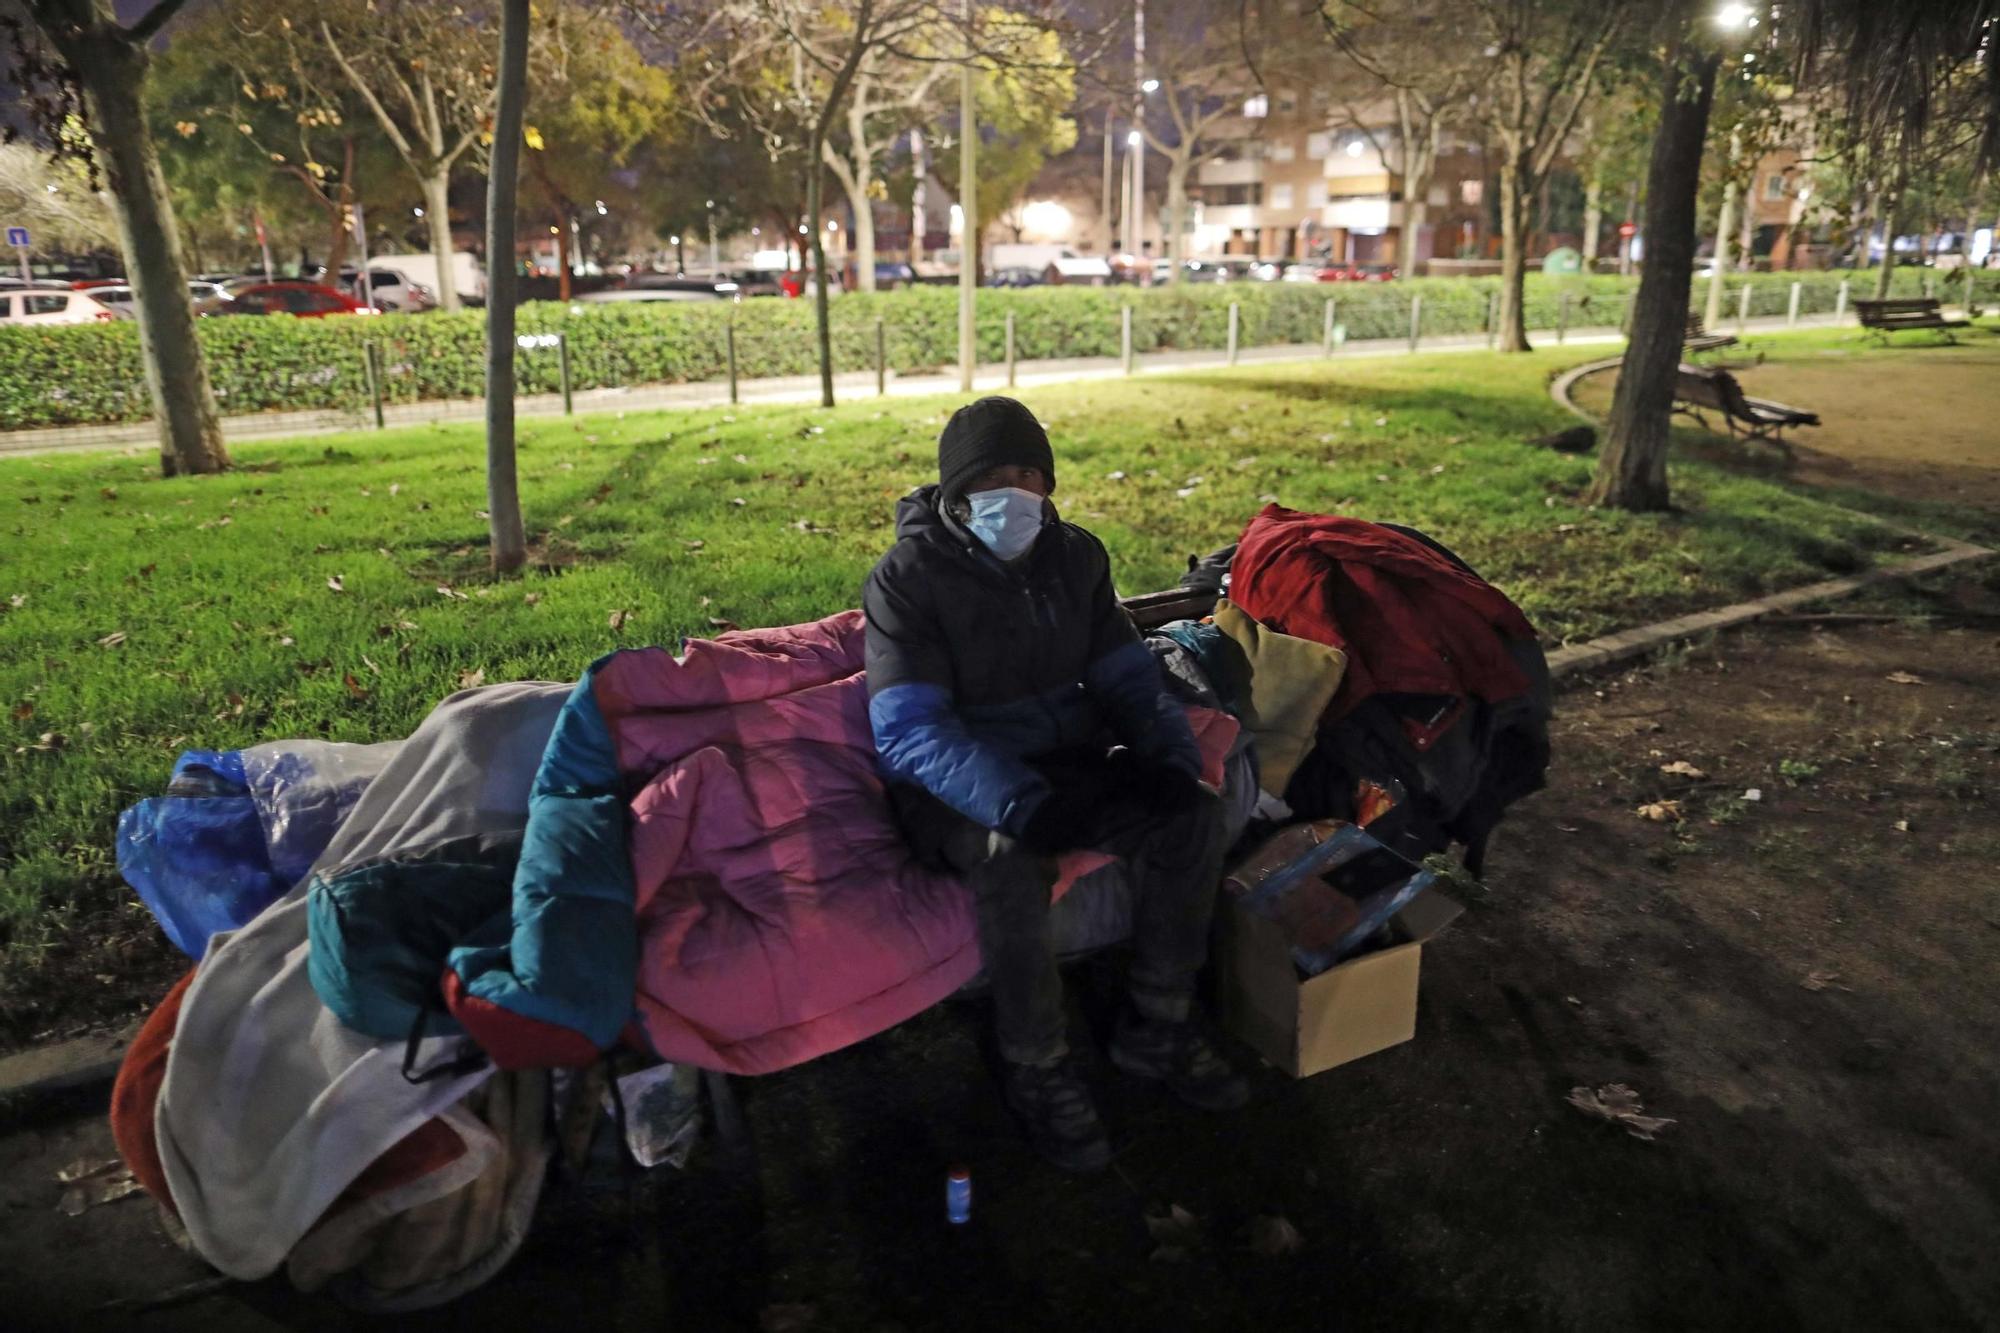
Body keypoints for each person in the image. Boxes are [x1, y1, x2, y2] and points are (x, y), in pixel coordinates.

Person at [863, 395, 1248, 1173]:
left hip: (1066, 761)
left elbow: (1130, 680)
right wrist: (1020, 803)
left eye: (1030, 473)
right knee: (1010, 860)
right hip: (959, 784)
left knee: (1191, 818)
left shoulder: (1077, 558)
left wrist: (1171, 762)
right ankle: (1035, 1064)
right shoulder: (907, 580)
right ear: (956, 491)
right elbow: (910, 730)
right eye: (995, 476)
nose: (1017, 491)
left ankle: (1158, 1024)